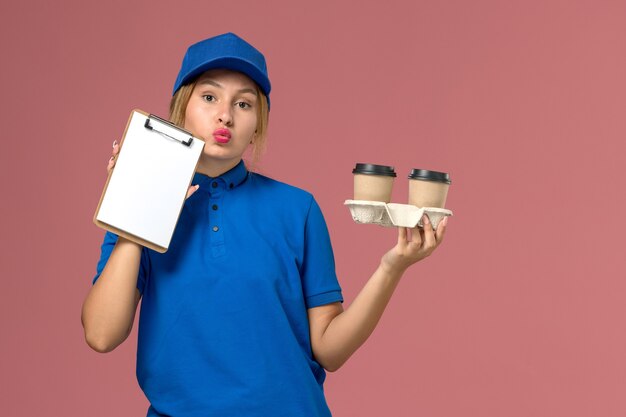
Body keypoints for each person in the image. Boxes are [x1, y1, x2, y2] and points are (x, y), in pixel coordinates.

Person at [81, 32, 449, 417]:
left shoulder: (297, 209)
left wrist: (392, 267)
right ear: (180, 109)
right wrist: (135, 211)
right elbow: (102, 335)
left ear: (257, 124)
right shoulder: (140, 211)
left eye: (243, 103)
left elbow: (329, 350)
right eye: (209, 97)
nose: (225, 114)